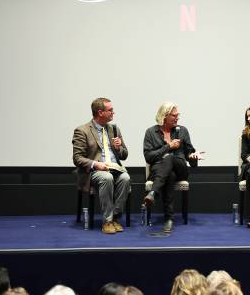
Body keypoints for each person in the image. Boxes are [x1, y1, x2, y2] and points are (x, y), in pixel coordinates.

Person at [72, 97, 130, 234]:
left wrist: (118, 147)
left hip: (114, 167)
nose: (113, 113)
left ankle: (115, 217)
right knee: (106, 178)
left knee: (126, 178)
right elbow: (77, 158)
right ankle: (107, 221)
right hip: (93, 171)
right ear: (100, 112)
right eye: (110, 110)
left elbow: (124, 155)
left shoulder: (114, 129)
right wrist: (95, 164)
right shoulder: (83, 130)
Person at [143, 102, 202, 233]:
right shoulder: (151, 132)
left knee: (169, 158)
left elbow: (189, 153)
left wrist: (193, 156)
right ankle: (169, 219)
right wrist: (168, 147)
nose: (177, 118)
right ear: (164, 116)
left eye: (177, 115)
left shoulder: (182, 131)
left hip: (180, 168)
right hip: (160, 170)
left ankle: (153, 192)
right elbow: (148, 157)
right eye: (174, 115)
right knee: (170, 175)